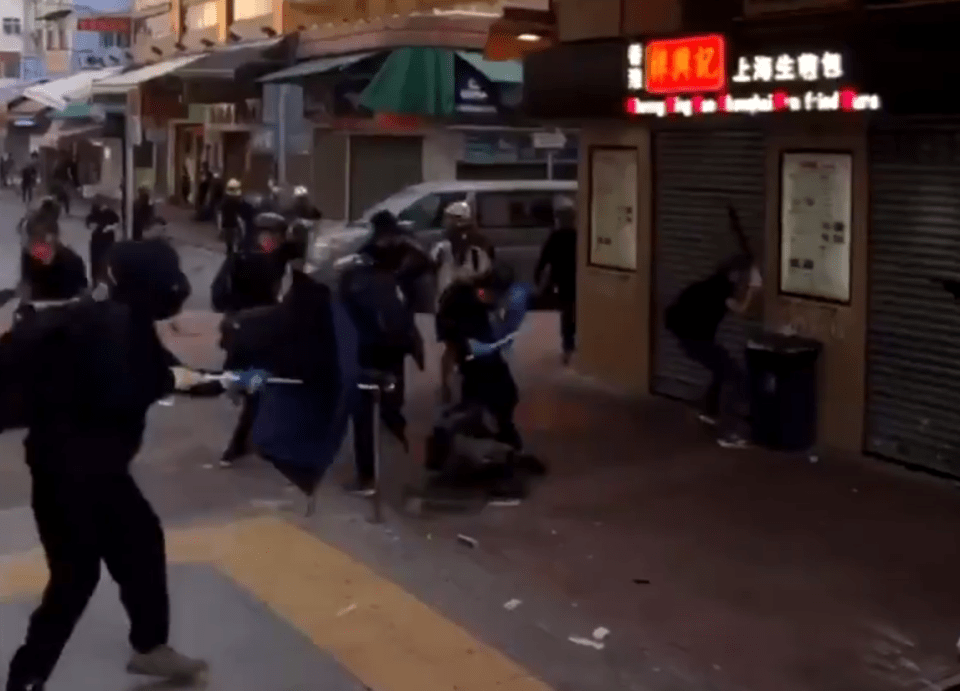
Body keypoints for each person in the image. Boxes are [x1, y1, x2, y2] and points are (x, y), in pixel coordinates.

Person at [1, 239, 270, 691]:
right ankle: (26, 679)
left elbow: (169, 370)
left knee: (142, 544)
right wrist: (174, 380)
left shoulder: (126, 321)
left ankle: (149, 648)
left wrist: (224, 381)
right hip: (69, 474)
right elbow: (126, 388)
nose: (180, 286)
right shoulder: (104, 330)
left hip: (102, 472)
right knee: (74, 579)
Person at [339, 211, 428, 495]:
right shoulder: (402, 255)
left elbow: (346, 312)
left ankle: (367, 477)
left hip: (371, 348)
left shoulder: (359, 273)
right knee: (390, 393)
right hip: (396, 342)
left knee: (363, 411)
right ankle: (394, 424)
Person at [665, 254, 763, 449]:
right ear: (737, 276)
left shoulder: (712, 284)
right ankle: (728, 433)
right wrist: (753, 290)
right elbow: (742, 310)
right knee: (733, 376)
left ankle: (707, 409)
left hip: (690, 337)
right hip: (695, 340)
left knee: (722, 369)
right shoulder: (721, 290)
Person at [217, 211, 290, 467]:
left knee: (258, 387)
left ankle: (243, 442)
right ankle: (242, 444)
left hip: (241, 330)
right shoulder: (275, 261)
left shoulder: (239, 256)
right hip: (263, 332)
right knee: (263, 386)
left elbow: (219, 293)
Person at [434, 265, 525, 454]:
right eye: (498, 295)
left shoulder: (475, 296)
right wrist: (444, 383)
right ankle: (485, 440)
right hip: (474, 361)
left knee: (501, 395)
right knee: (488, 398)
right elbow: (450, 349)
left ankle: (496, 435)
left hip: (481, 357)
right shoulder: (460, 302)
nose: (500, 301)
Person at [534, 197, 577, 365]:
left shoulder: (556, 236)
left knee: (567, 313)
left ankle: (568, 346)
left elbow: (544, 259)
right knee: (575, 312)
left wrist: (539, 277)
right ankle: (571, 345)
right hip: (576, 280)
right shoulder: (577, 235)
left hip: (563, 280)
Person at [19, 203, 87, 303]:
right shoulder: (28, 257)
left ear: (55, 237)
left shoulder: (73, 262)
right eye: (34, 240)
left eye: (43, 239)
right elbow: (26, 286)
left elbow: (81, 296)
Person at [85, 195, 121, 283]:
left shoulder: (107, 213)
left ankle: (97, 280)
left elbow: (89, 224)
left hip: (100, 241)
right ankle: (100, 280)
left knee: (98, 262)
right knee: (102, 262)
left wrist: (107, 228)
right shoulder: (108, 213)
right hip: (103, 241)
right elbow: (116, 223)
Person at [218, 179, 252, 257]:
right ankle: (236, 254)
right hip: (234, 225)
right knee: (238, 242)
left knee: (229, 245)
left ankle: (231, 256)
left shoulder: (224, 201)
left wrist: (220, 228)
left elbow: (220, 214)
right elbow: (241, 213)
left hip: (227, 225)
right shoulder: (236, 201)